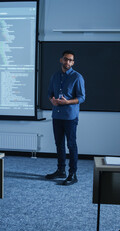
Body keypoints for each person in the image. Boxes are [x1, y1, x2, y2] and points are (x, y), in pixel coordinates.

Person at [45, 50, 86, 186]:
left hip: (70, 117)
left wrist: (67, 102)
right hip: (57, 115)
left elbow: (82, 97)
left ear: (73, 62)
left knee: (71, 145)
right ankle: (60, 170)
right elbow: (50, 93)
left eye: (70, 60)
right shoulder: (55, 76)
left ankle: (72, 174)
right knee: (59, 144)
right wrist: (52, 100)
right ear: (61, 60)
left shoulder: (77, 77)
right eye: (65, 59)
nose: (67, 62)